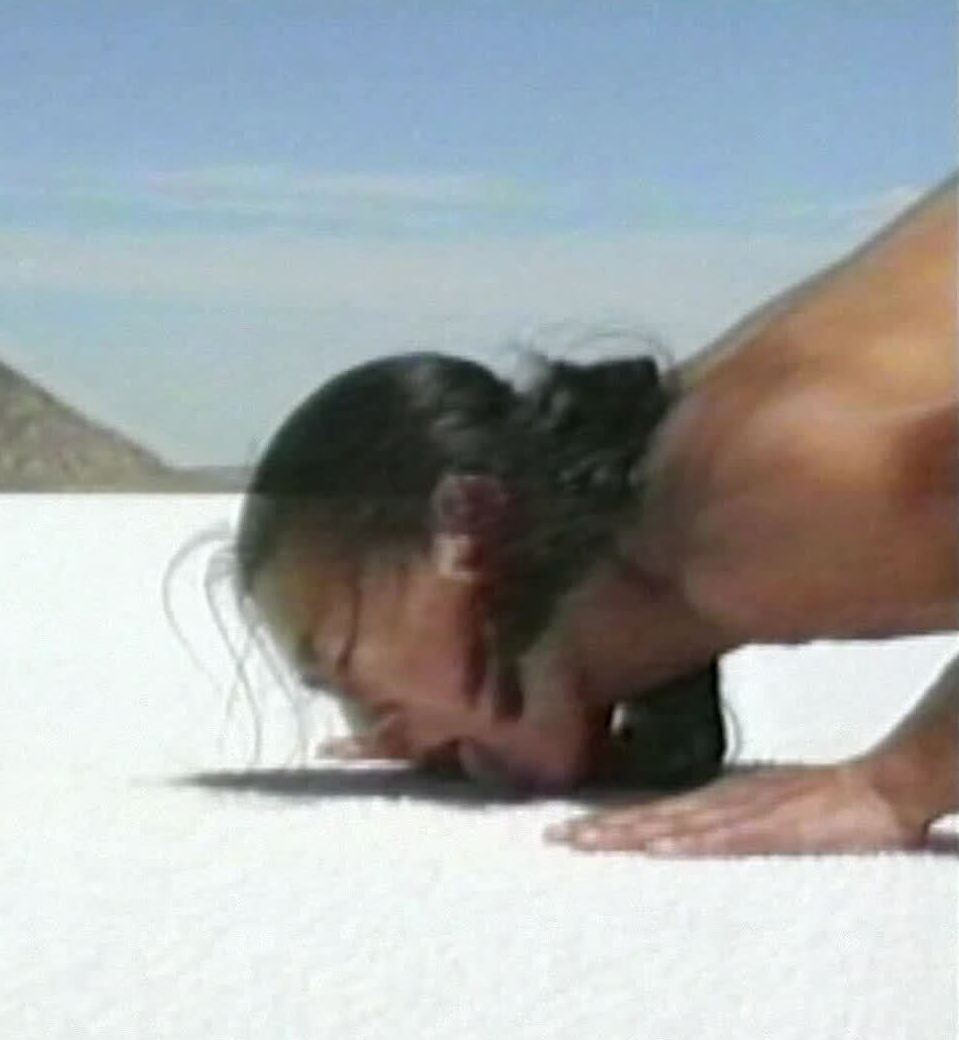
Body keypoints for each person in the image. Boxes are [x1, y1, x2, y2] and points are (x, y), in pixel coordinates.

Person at [231, 172, 956, 857]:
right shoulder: (682, 500)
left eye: (349, 672)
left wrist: (896, 786)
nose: (383, 734)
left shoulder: (738, 500)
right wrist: (433, 721)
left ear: (469, 526)